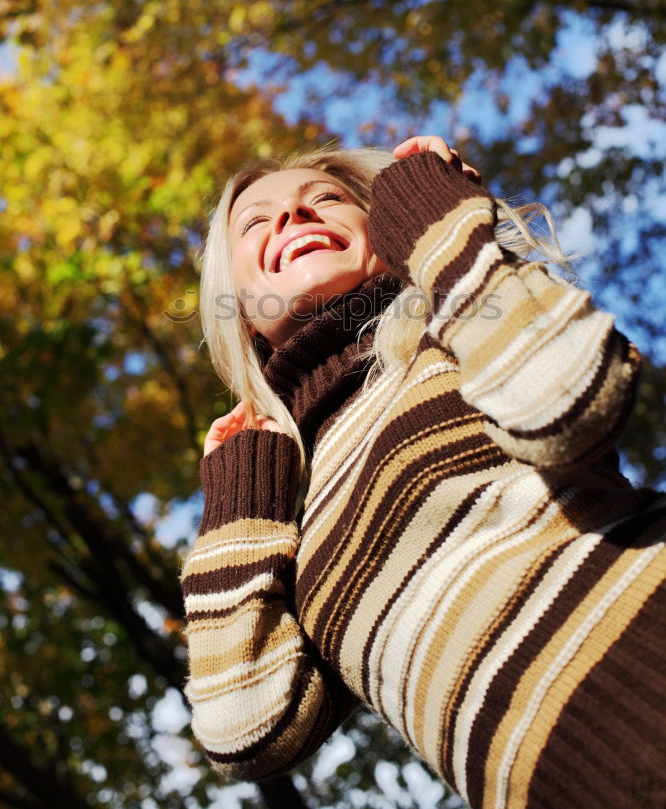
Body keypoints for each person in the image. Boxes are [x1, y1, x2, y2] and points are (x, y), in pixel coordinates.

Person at [181, 137, 666, 809]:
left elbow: (568, 400)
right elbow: (246, 730)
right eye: (256, 222)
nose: (292, 215)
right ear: (236, 300)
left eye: (325, 199)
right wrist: (237, 507)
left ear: (384, 233)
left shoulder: (452, 330)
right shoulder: (293, 512)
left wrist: (444, 222)